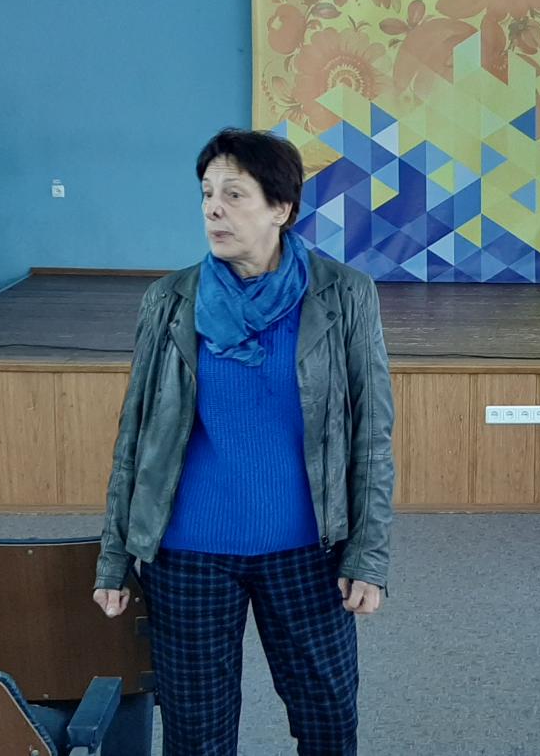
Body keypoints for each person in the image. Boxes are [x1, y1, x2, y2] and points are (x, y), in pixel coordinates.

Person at [93, 128, 395, 756]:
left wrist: (368, 554)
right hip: (188, 554)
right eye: (207, 194)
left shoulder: (343, 294)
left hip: (309, 552)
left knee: (328, 726)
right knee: (196, 738)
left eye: (234, 194)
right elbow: (136, 436)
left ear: (281, 208)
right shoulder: (170, 300)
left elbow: (371, 433)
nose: (213, 209)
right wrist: (115, 557)